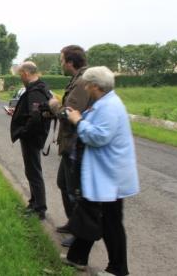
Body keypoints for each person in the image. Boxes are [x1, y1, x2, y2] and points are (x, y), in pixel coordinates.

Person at [61, 66, 140, 276]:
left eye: (87, 84)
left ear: (95, 86)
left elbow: (98, 137)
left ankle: (118, 269)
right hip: (103, 174)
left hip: (110, 176)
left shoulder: (109, 107)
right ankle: (77, 258)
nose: (85, 88)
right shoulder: (104, 103)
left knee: (111, 222)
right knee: (90, 214)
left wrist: (78, 121)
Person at [48, 45, 92, 247]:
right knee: (63, 183)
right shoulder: (78, 80)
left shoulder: (82, 82)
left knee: (74, 189)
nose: (61, 63)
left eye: (62, 60)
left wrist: (55, 105)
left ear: (71, 62)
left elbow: (70, 113)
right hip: (69, 143)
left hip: (75, 145)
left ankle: (80, 233)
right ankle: (73, 223)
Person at [10, 61, 52, 220]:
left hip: (32, 138)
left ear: (26, 73)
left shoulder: (35, 91)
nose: (21, 78)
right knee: (31, 171)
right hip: (34, 136)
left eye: (21, 74)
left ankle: (39, 208)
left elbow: (35, 118)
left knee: (34, 172)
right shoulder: (39, 88)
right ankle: (34, 202)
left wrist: (23, 131)